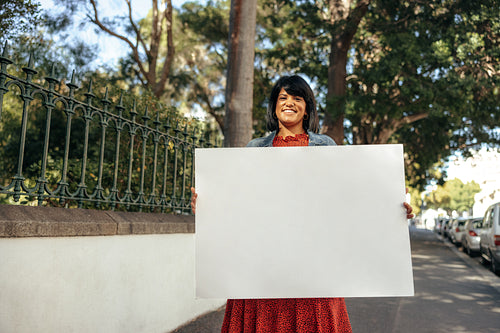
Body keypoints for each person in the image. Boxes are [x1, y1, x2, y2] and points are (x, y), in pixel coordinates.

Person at [191, 75, 414, 333]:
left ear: (307, 107)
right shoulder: (254, 149)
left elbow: (346, 201)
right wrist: (208, 209)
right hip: (262, 269)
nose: (289, 103)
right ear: (274, 106)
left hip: (314, 272)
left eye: (297, 98)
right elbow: (242, 208)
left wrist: (392, 208)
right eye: (282, 98)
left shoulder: (326, 146)